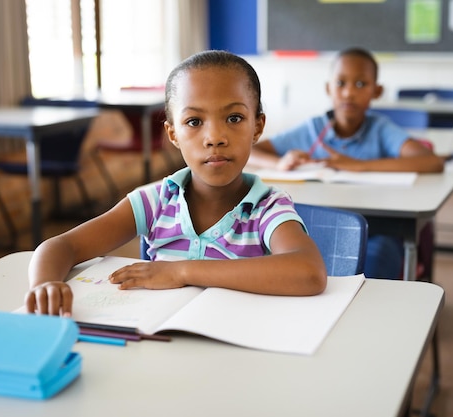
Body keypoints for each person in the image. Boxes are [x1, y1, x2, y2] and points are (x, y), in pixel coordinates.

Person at [25, 50, 327, 316]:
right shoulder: (154, 202)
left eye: (234, 118)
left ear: (257, 126)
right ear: (173, 135)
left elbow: (309, 272)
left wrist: (182, 271)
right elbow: (61, 245)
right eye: (194, 122)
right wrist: (45, 284)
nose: (214, 137)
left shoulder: (267, 207)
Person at [249, 47, 444, 279]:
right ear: (328, 88)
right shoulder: (314, 129)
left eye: (361, 85)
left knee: (380, 257)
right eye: (341, 83)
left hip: (376, 230)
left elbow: (431, 162)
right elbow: (250, 149)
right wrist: (279, 162)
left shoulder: (380, 129)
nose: (349, 93)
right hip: (315, 228)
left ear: (377, 91)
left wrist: (358, 165)